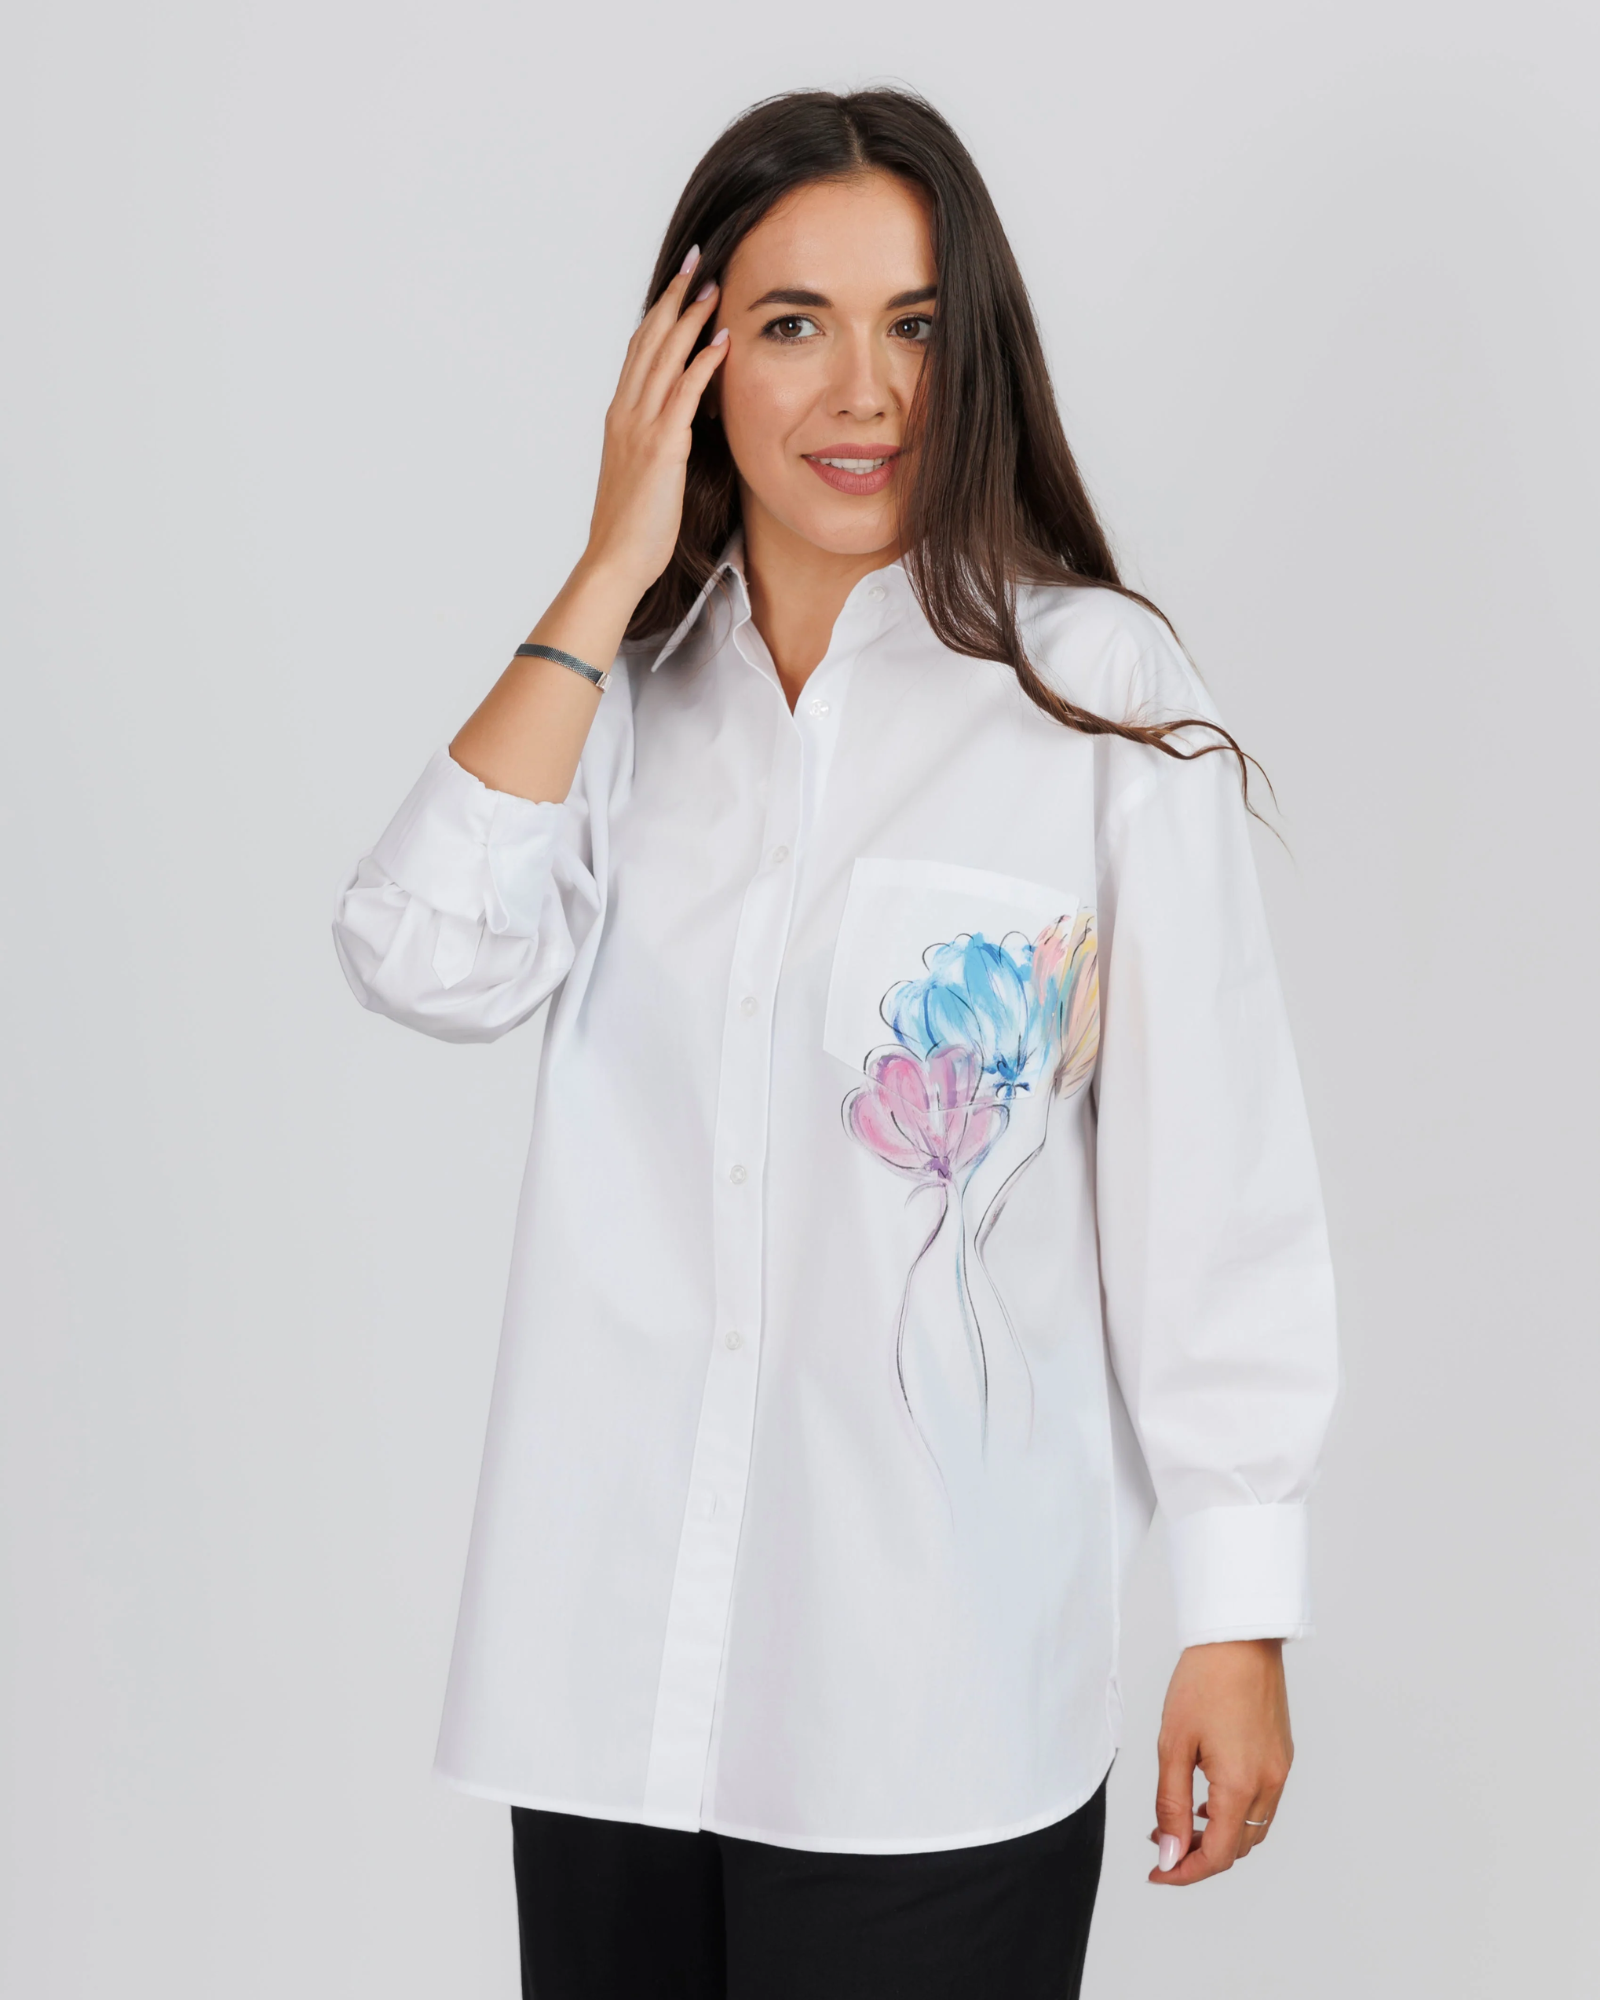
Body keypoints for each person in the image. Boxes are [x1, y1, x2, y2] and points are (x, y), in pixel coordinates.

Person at [332, 86, 1337, 2000]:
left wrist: (1238, 1608)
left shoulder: (1095, 694)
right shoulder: (622, 695)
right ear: (690, 362)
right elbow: (418, 952)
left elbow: (1215, 1182)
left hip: (932, 1710)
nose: (864, 392)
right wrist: (605, 570)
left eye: (917, 326)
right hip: (614, 1696)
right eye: (792, 324)